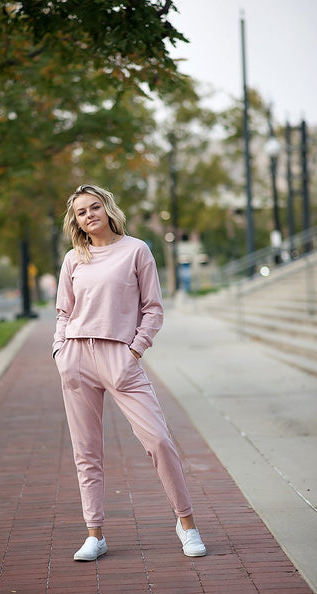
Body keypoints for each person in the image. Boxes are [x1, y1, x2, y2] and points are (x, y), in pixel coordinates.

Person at [52, 184, 206, 562]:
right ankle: (95, 533)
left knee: (158, 440)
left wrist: (134, 349)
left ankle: (187, 524)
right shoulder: (74, 259)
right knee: (86, 451)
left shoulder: (136, 250)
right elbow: (63, 312)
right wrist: (61, 352)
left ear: (107, 208)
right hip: (76, 358)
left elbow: (153, 309)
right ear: (77, 222)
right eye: (81, 212)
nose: (90, 215)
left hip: (121, 359)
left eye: (95, 207)